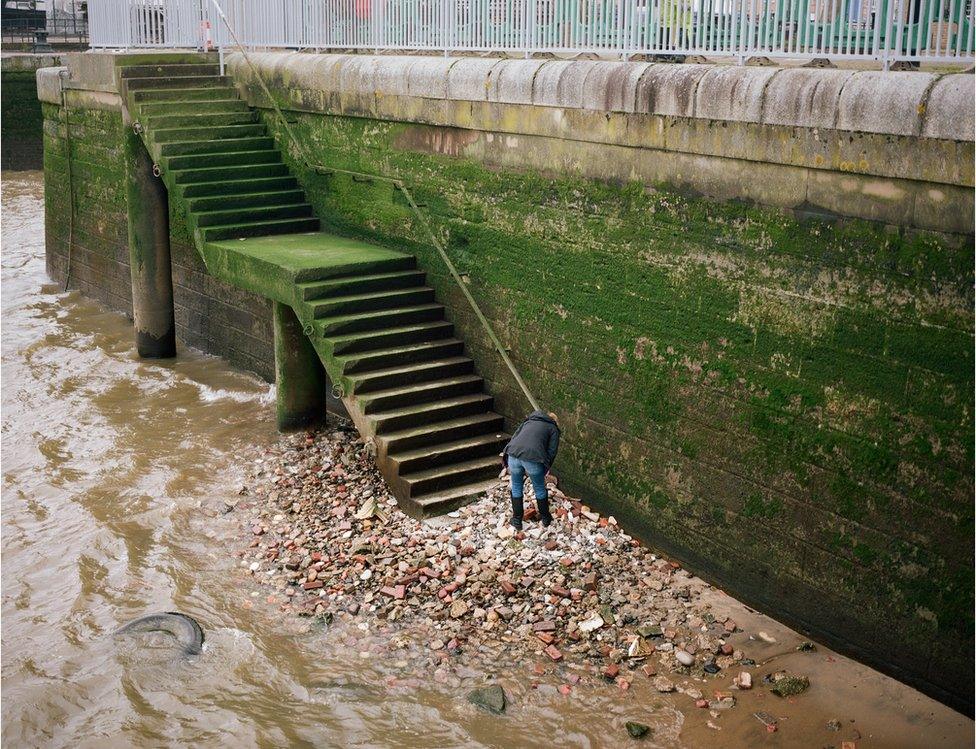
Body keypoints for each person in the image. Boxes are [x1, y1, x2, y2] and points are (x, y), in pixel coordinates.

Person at [503, 411, 561, 530]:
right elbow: (552, 451)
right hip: (532, 458)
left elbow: (515, 437)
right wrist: (546, 468)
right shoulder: (553, 428)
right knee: (539, 487)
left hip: (513, 454)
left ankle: (517, 520)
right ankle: (545, 518)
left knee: (516, 486)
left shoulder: (529, 421)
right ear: (554, 421)